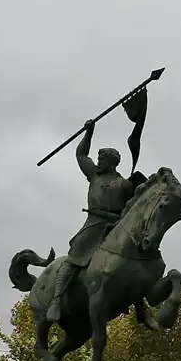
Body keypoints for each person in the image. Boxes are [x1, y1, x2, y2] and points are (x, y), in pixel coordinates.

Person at [47, 120, 138, 322]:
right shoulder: (94, 176)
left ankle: (131, 299)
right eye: (98, 159)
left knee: (131, 257)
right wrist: (89, 133)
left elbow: (129, 209)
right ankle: (56, 299)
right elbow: (81, 155)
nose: (99, 163)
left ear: (112, 162)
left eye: (102, 160)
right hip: (93, 224)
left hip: (114, 226)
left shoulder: (124, 184)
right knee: (74, 257)